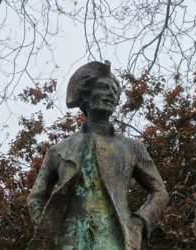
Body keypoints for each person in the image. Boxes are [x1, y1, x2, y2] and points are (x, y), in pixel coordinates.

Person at [27, 61, 169, 250]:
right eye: (103, 87)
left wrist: (140, 221)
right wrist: (49, 228)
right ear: (85, 95)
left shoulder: (132, 147)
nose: (111, 95)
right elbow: (36, 196)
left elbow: (159, 191)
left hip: (116, 239)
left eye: (114, 91)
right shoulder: (60, 150)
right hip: (69, 241)